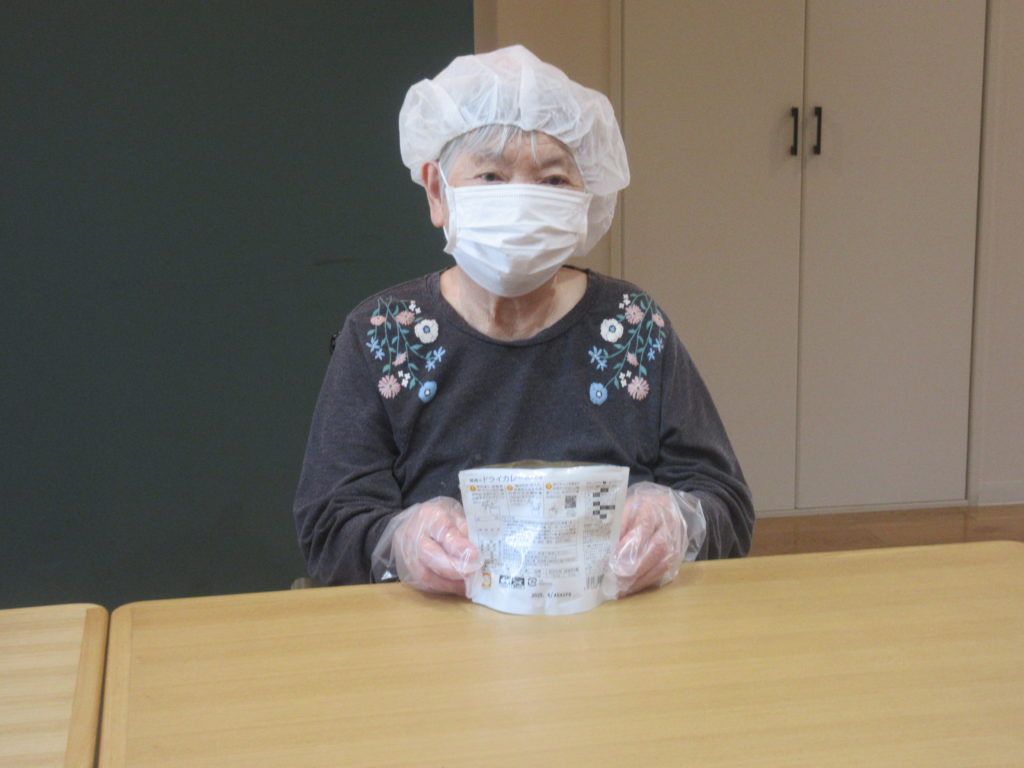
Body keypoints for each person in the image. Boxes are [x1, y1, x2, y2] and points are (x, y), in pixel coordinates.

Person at [293, 45, 753, 599]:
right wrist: (402, 543)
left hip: (611, 629)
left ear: (584, 199)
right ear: (437, 192)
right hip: (435, 635)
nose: (521, 202)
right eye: (491, 175)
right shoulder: (382, 335)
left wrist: (677, 522)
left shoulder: (633, 328)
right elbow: (328, 528)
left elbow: (726, 504)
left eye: (553, 181)